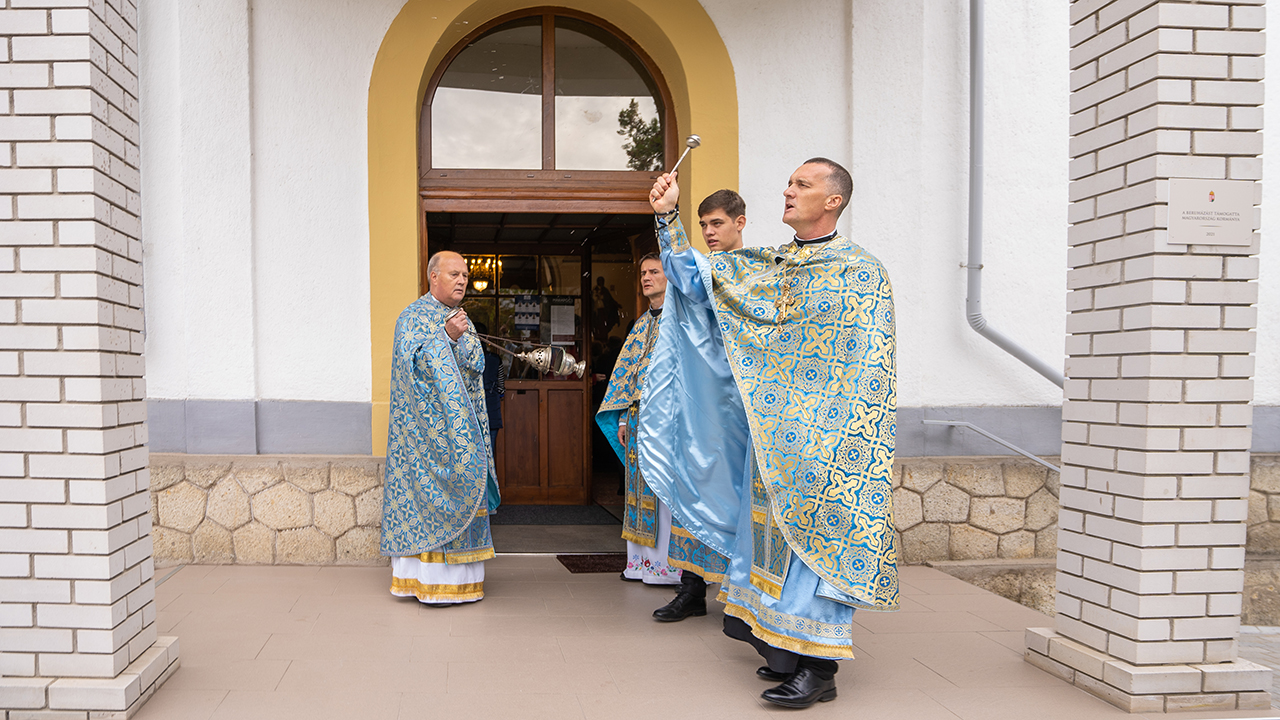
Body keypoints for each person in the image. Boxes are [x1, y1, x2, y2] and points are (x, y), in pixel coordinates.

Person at [639, 159, 897, 709]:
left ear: (833, 200)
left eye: (802, 184)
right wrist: (667, 220)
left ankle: (820, 670)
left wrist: (839, 435)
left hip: (828, 443)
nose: (788, 190)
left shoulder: (860, 272)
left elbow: (868, 369)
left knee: (815, 550)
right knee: (771, 546)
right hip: (770, 437)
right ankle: (784, 651)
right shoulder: (771, 266)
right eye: (789, 181)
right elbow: (697, 283)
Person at [379, 251, 501, 606]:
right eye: (454, 274)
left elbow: (477, 364)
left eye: (465, 274)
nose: (462, 280)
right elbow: (410, 368)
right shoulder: (412, 317)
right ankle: (426, 582)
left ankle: (465, 583)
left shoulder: (464, 319)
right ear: (433, 277)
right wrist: (445, 338)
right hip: (426, 441)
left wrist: (459, 338)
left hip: (463, 434)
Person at [651, 188, 746, 623]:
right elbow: (686, 274)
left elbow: (688, 273)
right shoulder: (707, 268)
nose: (708, 232)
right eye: (703, 224)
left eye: (716, 224)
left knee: (740, 497)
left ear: (739, 222)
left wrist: (669, 218)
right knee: (691, 480)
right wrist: (667, 219)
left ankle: (748, 595)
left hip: (744, 405)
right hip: (703, 399)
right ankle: (691, 588)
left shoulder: (751, 271)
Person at [595, 254, 683, 586]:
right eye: (643, 273)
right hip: (635, 420)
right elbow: (625, 376)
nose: (647, 278)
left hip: (669, 419)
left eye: (654, 272)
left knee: (665, 491)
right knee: (637, 490)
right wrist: (619, 420)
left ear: (670, 276)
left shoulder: (682, 320)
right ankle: (641, 563)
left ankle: (669, 568)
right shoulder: (641, 323)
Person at [475, 321, 506, 454]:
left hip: (472, 411)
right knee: (489, 454)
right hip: (491, 410)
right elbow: (501, 388)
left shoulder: (464, 359)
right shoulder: (495, 359)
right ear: (486, 337)